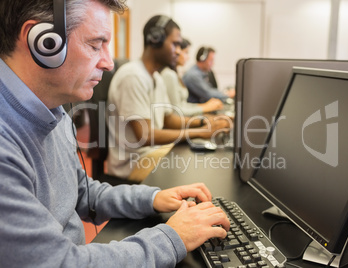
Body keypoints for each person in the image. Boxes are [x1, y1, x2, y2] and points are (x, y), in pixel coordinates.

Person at [0, 1, 230, 267]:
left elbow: (84, 195)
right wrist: (173, 237)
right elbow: (59, 262)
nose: (109, 63)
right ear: (43, 42)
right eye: (96, 45)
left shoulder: (54, 110)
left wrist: (153, 198)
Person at [107, 15, 231, 178]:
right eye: (175, 44)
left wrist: (204, 121)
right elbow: (145, 136)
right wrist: (200, 132)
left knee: (206, 164)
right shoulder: (133, 76)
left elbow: (169, 120)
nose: (179, 51)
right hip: (134, 164)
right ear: (155, 39)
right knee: (200, 170)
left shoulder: (156, 77)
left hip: (152, 154)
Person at [161, 38, 223, 116]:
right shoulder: (171, 75)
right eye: (186, 52)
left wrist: (205, 106)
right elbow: (177, 112)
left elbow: (183, 105)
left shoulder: (176, 74)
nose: (188, 57)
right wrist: (205, 107)